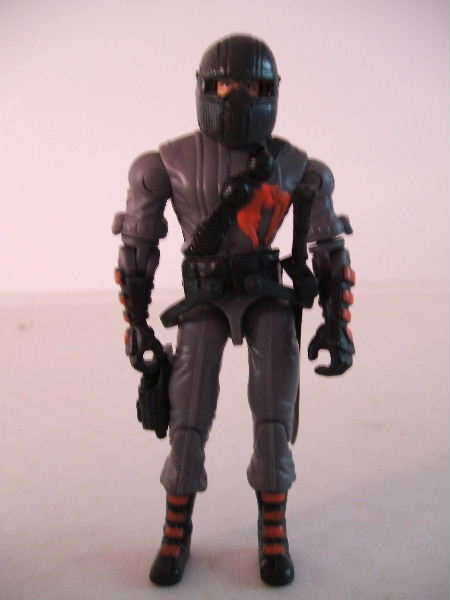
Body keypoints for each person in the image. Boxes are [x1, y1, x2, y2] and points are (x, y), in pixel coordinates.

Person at [112, 33, 355, 587]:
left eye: (249, 86)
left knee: (273, 415)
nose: (237, 96)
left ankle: (274, 527)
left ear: (269, 92)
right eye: (225, 85)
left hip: (267, 294)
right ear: (206, 89)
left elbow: (329, 249)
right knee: (187, 414)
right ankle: (176, 527)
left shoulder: (295, 166)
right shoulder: (165, 163)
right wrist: (137, 324)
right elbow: (137, 249)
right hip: (203, 299)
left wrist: (336, 324)